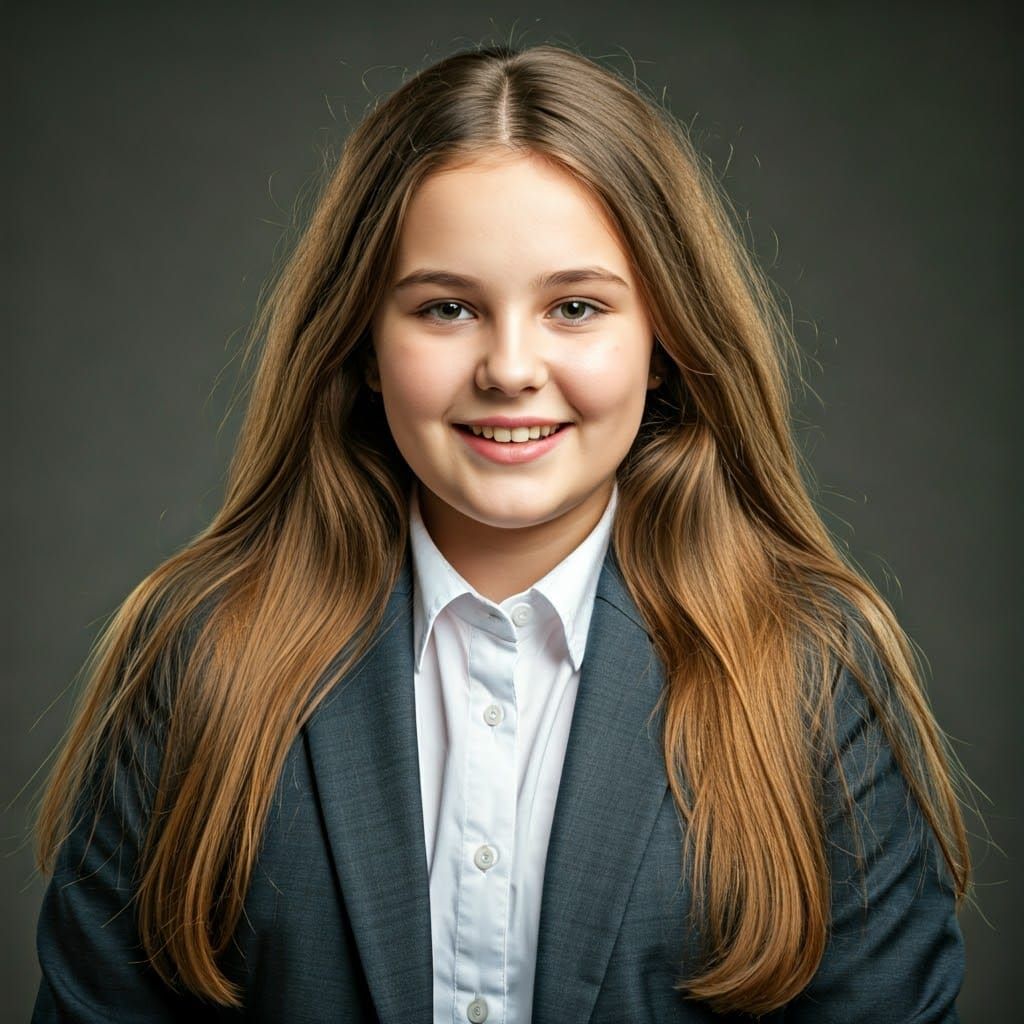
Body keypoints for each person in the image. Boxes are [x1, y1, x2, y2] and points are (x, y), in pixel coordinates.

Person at [30, 41, 971, 1023]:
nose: (510, 367)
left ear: (665, 344)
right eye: (446, 308)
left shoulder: (812, 667)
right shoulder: (198, 654)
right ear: (361, 344)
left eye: (575, 307)